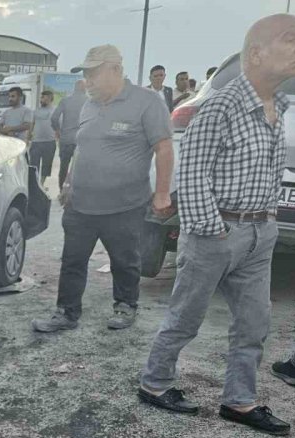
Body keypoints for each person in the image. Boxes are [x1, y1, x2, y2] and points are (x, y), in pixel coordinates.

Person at [140, 14, 295, 436]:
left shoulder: (277, 108)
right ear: (257, 53)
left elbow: (267, 172)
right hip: (217, 232)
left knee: (254, 323)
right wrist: (214, 231)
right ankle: (154, 384)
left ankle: (239, 401)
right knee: (186, 317)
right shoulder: (220, 106)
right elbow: (191, 175)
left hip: (259, 234)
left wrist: (265, 224)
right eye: (291, 40)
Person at [32, 44, 173, 333]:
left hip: (125, 204)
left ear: (117, 70)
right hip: (82, 203)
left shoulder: (146, 101)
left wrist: (161, 193)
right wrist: (69, 182)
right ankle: (66, 313)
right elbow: (82, 149)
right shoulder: (89, 104)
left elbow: (164, 148)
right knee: (72, 260)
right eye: (86, 74)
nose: (89, 80)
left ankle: (125, 305)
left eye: (94, 73)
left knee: (125, 260)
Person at [51, 80, 86, 193]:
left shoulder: (65, 101)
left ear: (74, 88)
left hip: (65, 139)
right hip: (81, 141)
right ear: (84, 88)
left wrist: (57, 130)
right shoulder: (89, 102)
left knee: (63, 167)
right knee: (79, 168)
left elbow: (54, 118)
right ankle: (75, 192)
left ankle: (62, 191)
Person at [29, 90, 57, 186]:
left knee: (46, 165)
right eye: (41, 97)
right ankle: (35, 184)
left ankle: (41, 184)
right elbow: (32, 124)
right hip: (36, 142)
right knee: (33, 165)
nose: (42, 99)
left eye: (44, 97)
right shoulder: (36, 111)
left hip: (50, 142)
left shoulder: (55, 110)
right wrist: (28, 136)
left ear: (50, 98)